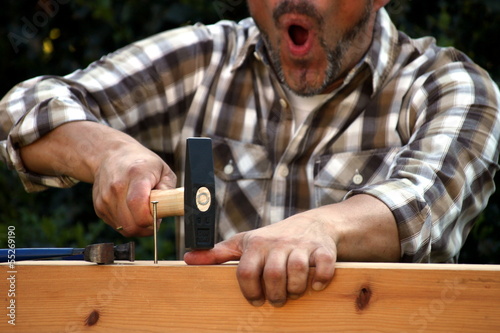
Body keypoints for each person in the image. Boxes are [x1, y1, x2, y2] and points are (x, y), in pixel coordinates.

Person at [1, 0, 499, 307]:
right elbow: (20, 108)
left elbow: (428, 198)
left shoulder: (450, 87)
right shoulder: (207, 58)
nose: (291, 2)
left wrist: (321, 227)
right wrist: (107, 152)